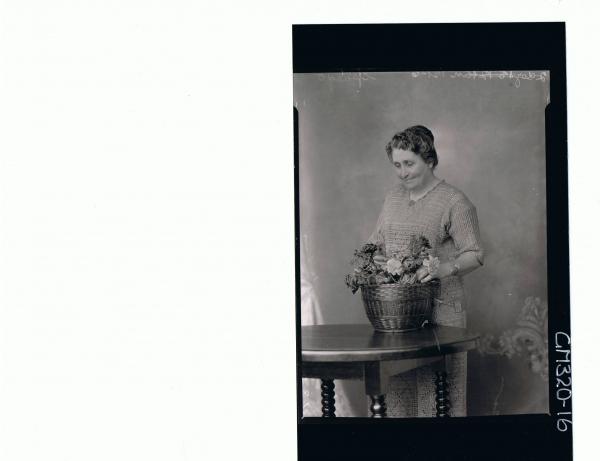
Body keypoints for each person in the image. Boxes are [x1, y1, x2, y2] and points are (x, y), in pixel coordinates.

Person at [367, 125, 484, 417]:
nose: (402, 172)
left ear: (429, 161)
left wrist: (444, 268)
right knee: (398, 391)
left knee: (438, 397)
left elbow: (476, 254)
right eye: (397, 165)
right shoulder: (392, 197)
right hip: (400, 316)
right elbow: (375, 243)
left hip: (441, 313)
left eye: (410, 163)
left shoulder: (455, 201)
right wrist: (377, 257)